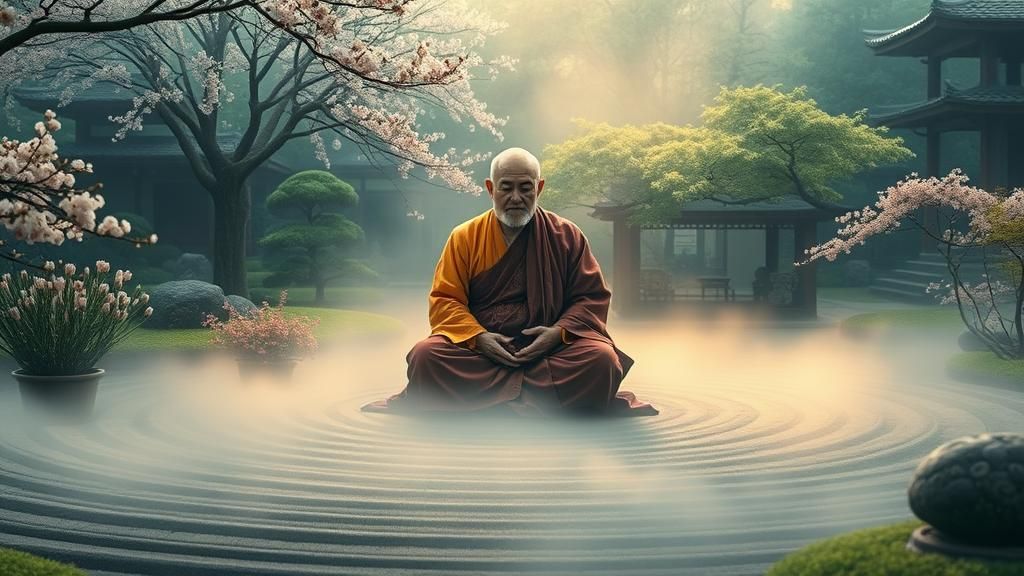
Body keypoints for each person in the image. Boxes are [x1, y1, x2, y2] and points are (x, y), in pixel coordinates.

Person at [362, 147, 657, 416]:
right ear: (490, 189)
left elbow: (590, 297)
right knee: (426, 357)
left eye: (525, 188)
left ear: (539, 188)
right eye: (506, 187)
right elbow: (445, 300)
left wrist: (557, 333)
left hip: (550, 352)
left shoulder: (566, 236)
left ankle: (486, 400)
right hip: (481, 353)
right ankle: (539, 400)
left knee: (602, 361)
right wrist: (478, 338)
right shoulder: (465, 237)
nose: (516, 197)